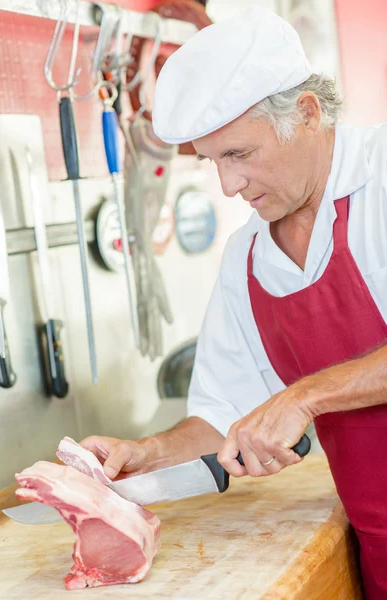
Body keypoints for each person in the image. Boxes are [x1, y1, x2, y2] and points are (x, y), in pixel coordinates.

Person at [81, 7, 387, 597]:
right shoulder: (246, 259)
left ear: (306, 114)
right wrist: (144, 454)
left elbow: (295, 402)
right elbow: (223, 413)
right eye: (212, 161)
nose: (226, 186)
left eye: (239, 155)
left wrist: (306, 396)